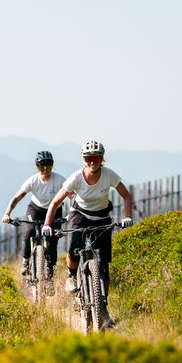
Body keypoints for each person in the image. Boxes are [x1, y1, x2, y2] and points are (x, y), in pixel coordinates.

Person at [43, 140, 133, 327]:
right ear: (84, 160)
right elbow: (55, 202)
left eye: (96, 158)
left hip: (101, 217)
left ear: (102, 159)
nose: (92, 162)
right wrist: (47, 224)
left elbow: (126, 195)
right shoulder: (76, 177)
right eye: (88, 158)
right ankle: (71, 275)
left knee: (104, 267)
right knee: (75, 245)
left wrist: (127, 216)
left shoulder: (109, 175)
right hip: (80, 214)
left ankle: (103, 306)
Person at [2, 151, 66, 278]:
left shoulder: (59, 180)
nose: (45, 170)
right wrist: (7, 213)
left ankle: (50, 274)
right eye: (42, 167)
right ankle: (26, 261)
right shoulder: (33, 181)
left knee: (53, 241)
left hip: (55, 211)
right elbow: (16, 198)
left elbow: (71, 194)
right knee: (29, 231)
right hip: (36, 209)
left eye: (48, 167)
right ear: (37, 167)